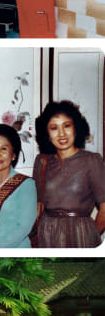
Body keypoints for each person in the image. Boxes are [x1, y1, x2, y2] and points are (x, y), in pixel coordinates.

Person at [33, 100, 105, 247]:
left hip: (81, 233)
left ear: (76, 128)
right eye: (54, 128)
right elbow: (38, 205)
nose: (61, 134)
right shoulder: (42, 161)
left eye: (67, 126)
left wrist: (92, 235)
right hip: (47, 234)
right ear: (47, 133)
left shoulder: (92, 160)